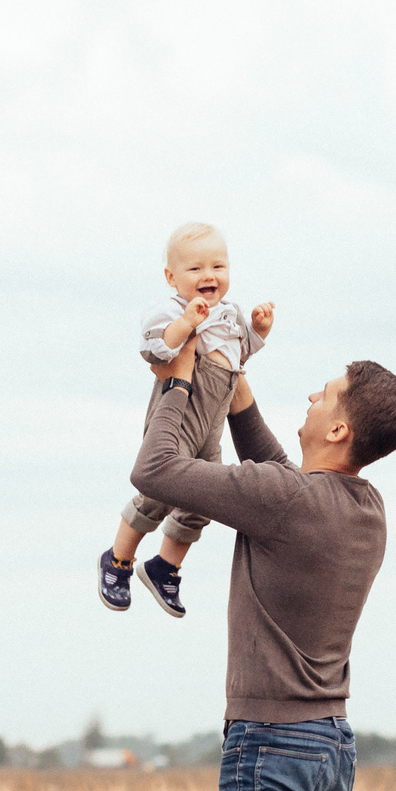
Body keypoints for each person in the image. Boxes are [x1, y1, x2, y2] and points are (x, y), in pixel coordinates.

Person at [128, 334, 396, 791]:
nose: (312, 396)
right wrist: (233, 385)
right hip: (328, 749)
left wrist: (183, 379)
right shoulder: (367, 508)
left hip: (271, 748)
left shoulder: (283, 502)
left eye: (326, 395)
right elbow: (282, 475)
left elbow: (155, 470)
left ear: (338, 430)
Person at [100, 221, 274, 619]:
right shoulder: (172, 310)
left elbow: (239, 352)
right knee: (160, 489)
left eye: (218, 266)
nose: (208, 276)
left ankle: (166, 566)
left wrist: (258, 331)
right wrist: (186, 324)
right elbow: (154, 348)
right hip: (178, 414)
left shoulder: (229, 314)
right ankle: (118, 558)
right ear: (171, 277)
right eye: (195, 269)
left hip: (211, 423)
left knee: (206, 498)